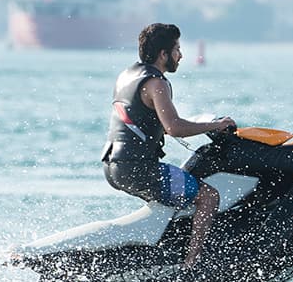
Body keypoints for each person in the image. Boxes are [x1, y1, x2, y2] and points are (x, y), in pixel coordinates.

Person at [101, 23, 236, 268]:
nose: (181, 55)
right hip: (138, 169)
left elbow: (147, 122)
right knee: (208, 196)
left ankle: (163, 251)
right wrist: (216, 126)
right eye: (177, 50)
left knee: (178, 193)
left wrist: (198, 123)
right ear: (163, 54)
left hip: (113, 166)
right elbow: (174, 127)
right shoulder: (157, 83)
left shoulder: (127, 76)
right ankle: (192, 263)